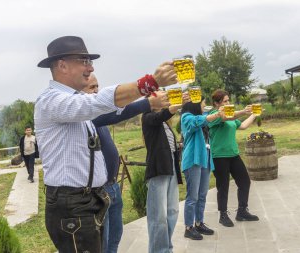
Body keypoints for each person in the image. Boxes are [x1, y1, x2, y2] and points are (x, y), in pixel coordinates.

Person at [35, 35, 176, 253]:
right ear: (62, 65)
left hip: (88, 199)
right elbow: (97, 104)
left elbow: (108, 109)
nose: (90, 67)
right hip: (72, 205)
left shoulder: (73, 101)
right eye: (83, 61)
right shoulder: (51, 100)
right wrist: (148, 83)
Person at [83, 74, 169, 253]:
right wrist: (148, 102)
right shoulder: (85, 115)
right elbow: (116, 113)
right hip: (99, 191)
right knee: (103, 241)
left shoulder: (98, 115)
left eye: (97, 86)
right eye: (91, 87)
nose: (96, 90)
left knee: (115, 235)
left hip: (112, 187)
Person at [142, 92, 190, 253]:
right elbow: (158, 117)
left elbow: (166, 145)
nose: (163, 98)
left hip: (170, 168)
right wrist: (175, 106)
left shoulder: (165, 123)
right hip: (158, 170)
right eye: (160, 96)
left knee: (172, 212)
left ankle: (166, 248)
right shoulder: (148, 117)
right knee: (158, 217)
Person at [208, 89, 259, 227]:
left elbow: (242, 126)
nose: (228, 103)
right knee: (223, 186)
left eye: (228, 100)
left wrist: (254, 114)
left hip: (233, 155)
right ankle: (223, 215)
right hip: (219, 156)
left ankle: (242, 211)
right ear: (216, 103)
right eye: (225, 101)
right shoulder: (213, 115)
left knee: (245, 182)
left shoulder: (232, 117)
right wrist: (243, 111)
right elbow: (226, 118)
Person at [180, 98, 223, 240]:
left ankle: (199, 223)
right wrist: (215, 114)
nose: (204, 105)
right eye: (202, 103)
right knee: (192, 196)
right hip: (193, 159)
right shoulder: (186, 117)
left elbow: (211, 118)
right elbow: (197, 122)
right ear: (195, 105)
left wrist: (241, 112)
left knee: (202, 195)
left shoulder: (204, 116)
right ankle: (188, 227)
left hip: (205, 159)